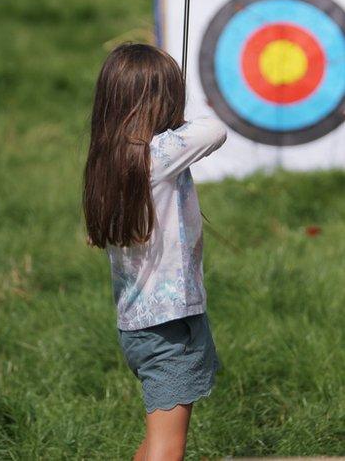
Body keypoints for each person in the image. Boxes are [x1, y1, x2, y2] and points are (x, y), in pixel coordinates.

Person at [83, 42, 227, 460]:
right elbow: (215, 130)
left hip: (145, 325)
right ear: (158, 103)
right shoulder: (157, 155)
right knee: (168, 447)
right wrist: (176, 126)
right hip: (166, 327)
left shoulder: (110, 160)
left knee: (155, 441)